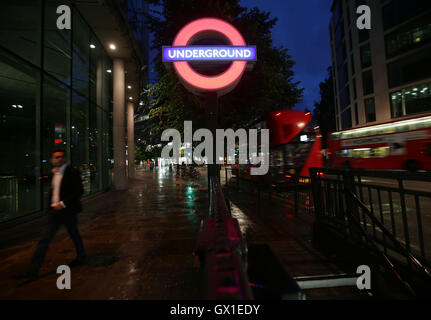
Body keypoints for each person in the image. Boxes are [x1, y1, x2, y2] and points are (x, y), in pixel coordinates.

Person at [17, 149, 86, 280]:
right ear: (52, 160)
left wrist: (63, 203)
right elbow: (55, 192)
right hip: (55, 213)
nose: (58, 159)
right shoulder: (54, 173)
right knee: (45, 240)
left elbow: (79, 191)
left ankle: (81, 256)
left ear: (64, 158)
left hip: (68, 211)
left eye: (61, 157)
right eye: (56, 157)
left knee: (74, 235)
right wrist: (51, 206)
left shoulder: (72, 172)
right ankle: (33, 271)